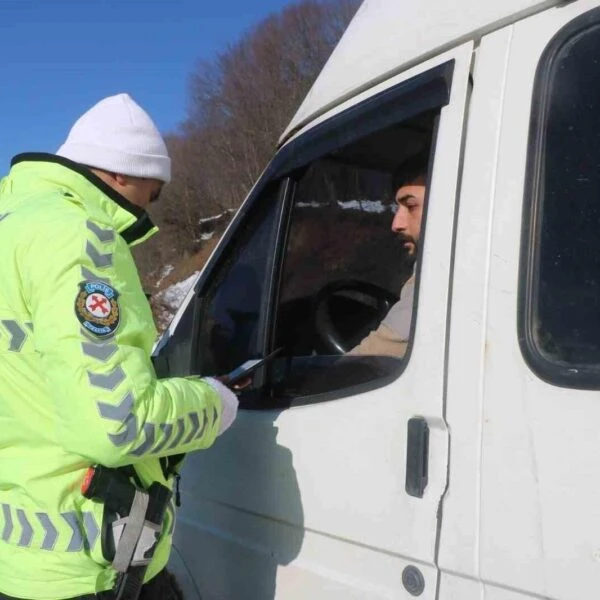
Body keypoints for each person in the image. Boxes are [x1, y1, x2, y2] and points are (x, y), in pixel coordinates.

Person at [0, 94, 240, 600]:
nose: (146, 209)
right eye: (150, 194)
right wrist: (213, 403)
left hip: (17, 558)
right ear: (120, 176)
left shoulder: (11, 227)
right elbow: (118, 421)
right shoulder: (80, 238)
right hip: (88, 569)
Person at [349, 153, 427, 358]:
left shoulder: (440, 275)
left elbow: (368, 360)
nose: (396, 224)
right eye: (397, 208)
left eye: (411, 206)